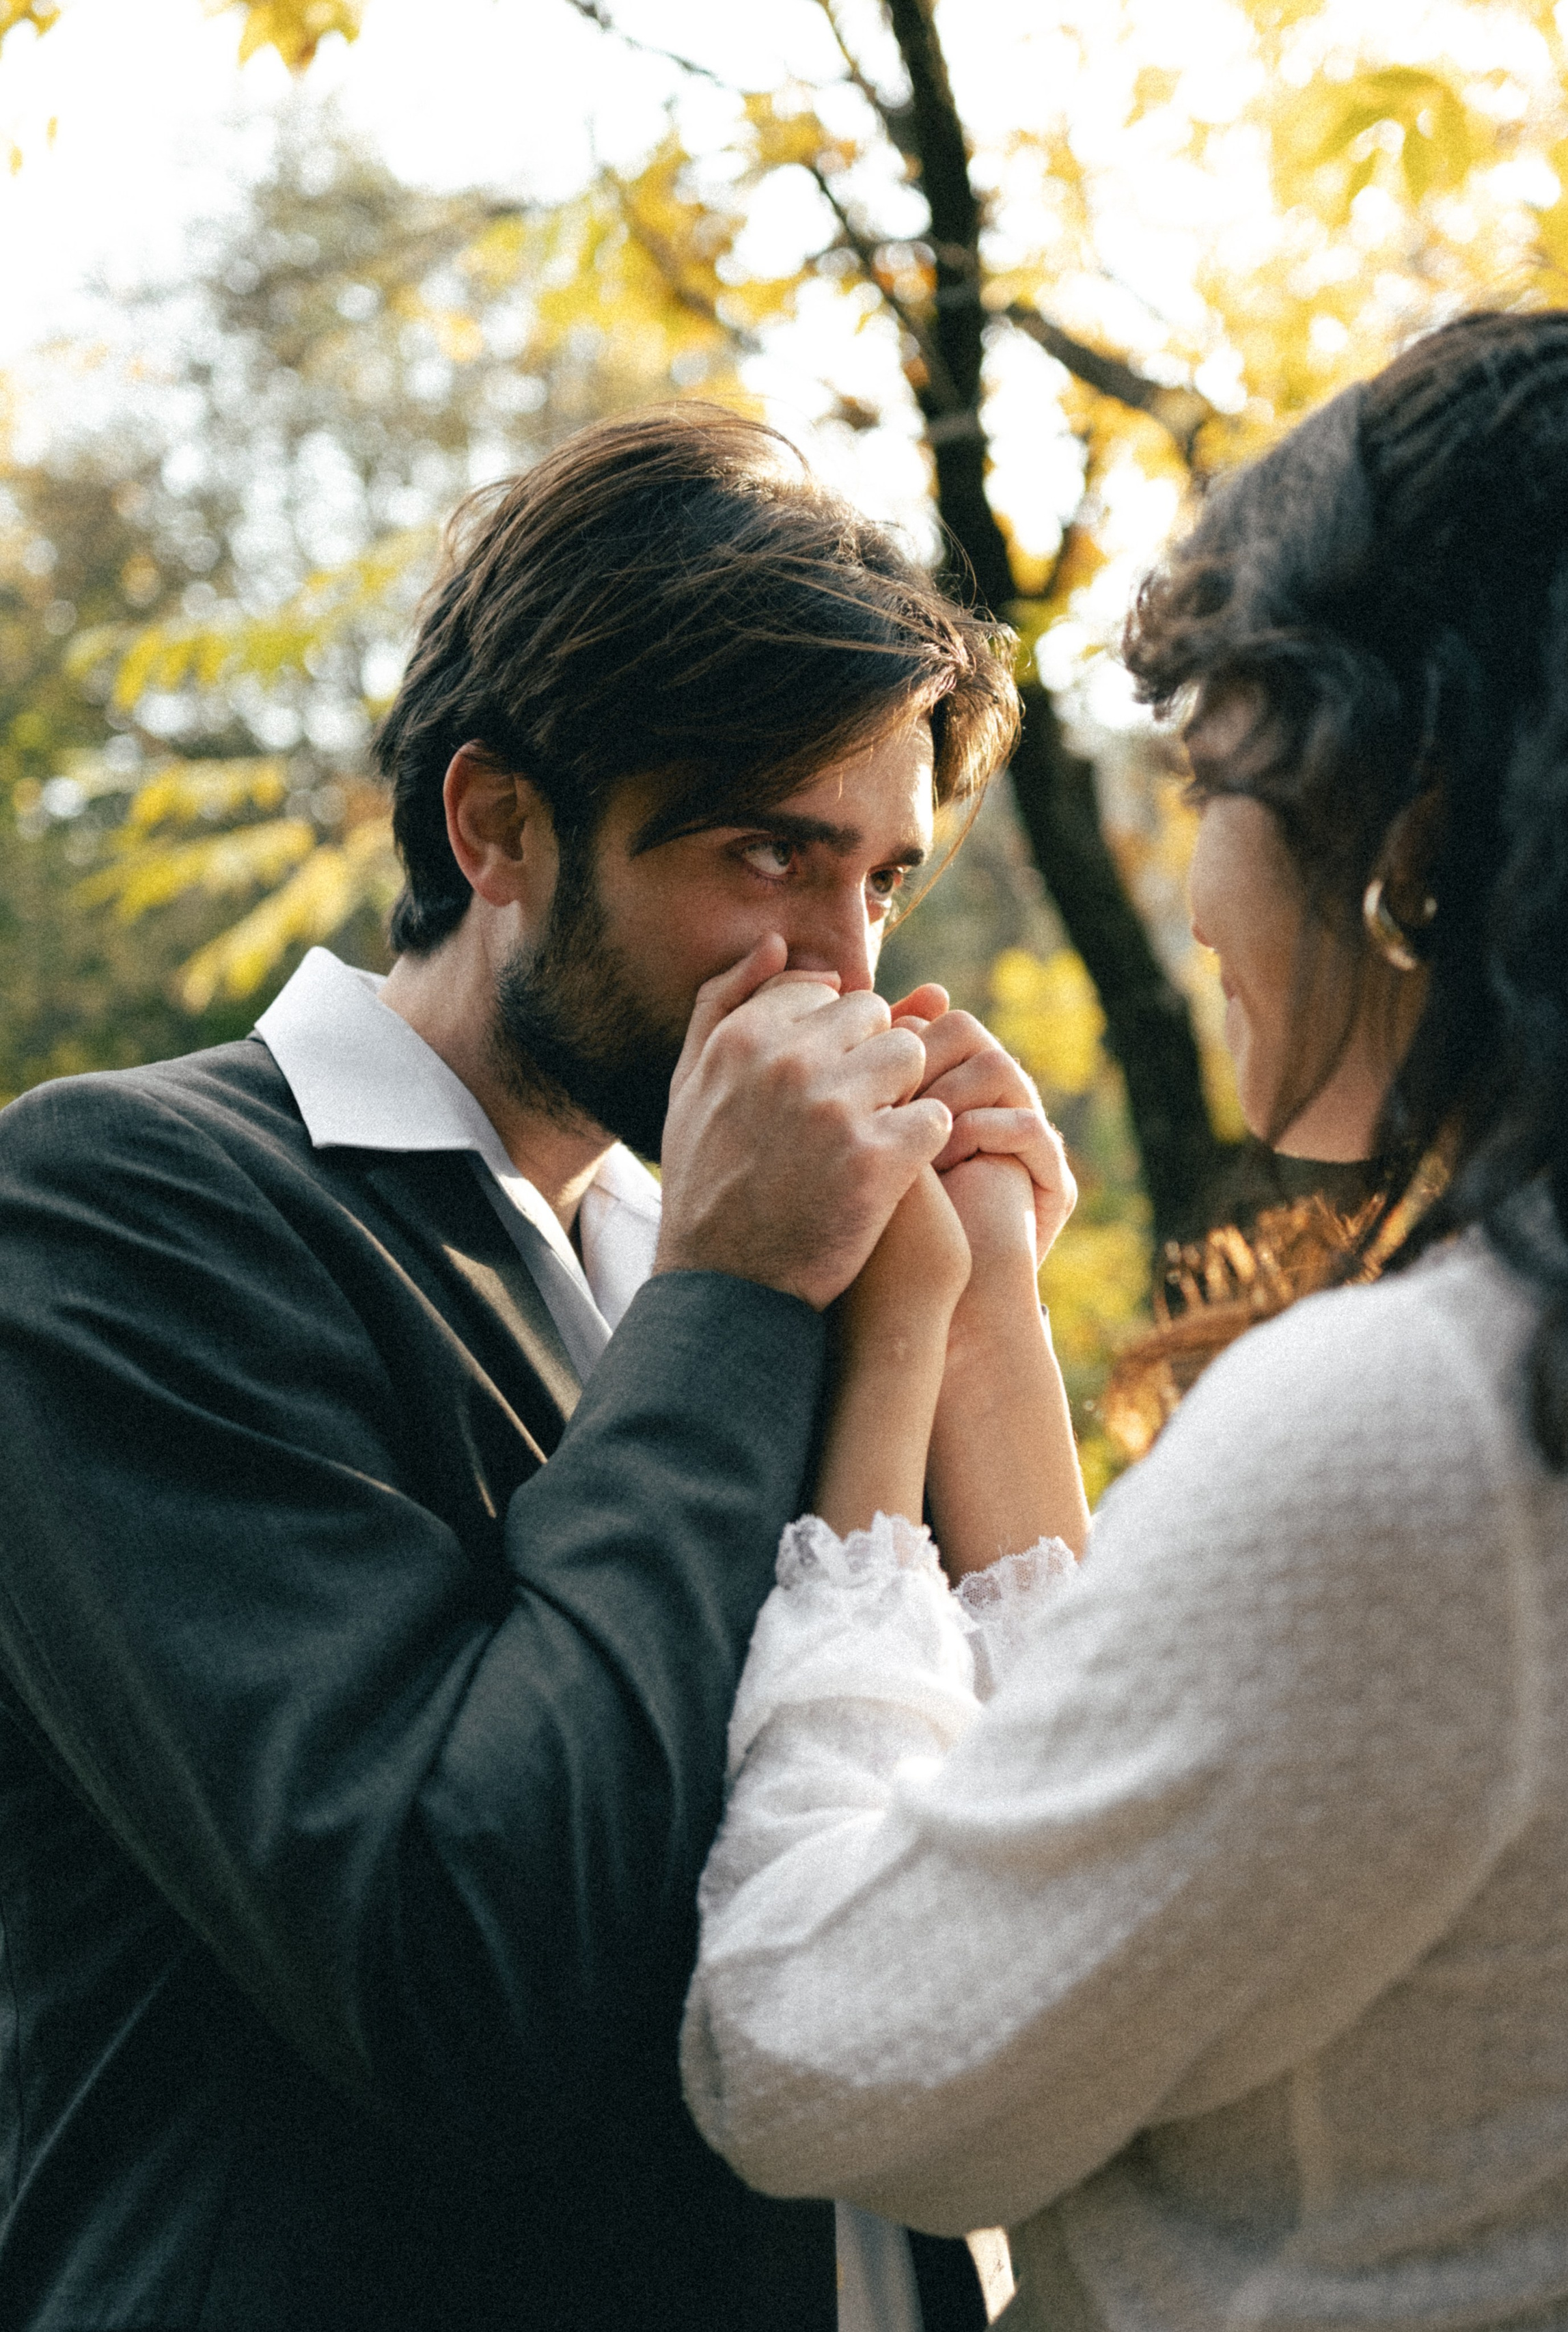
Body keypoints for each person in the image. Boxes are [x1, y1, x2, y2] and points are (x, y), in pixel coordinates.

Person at [682, 305, 1568, 2332]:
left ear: (1407, 837)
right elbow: (1220, 1823)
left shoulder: (1439, 1428)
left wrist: (882, 1393)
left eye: (1216, 788)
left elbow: (811, 2052)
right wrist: (994, 1313)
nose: (1187, 901)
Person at [0, 404, 1074, 2332]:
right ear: (496, 824)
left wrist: (979, 1313)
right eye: (769, 856)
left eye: (885, 884)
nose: (840, 969)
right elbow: (462, 1965)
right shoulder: (126, 1208)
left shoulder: (748, 1284)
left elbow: (1027, 1899)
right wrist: (739, 1300)